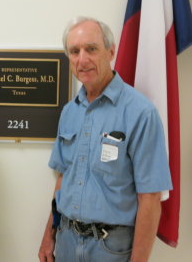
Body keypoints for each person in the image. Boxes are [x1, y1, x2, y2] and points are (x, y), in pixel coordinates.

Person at [38, 17, 172, 262]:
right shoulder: (69, 112)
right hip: (66, 241)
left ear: (111, 51)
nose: (82, 59)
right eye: (74, 51)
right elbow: (62, 180)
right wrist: (49, 236)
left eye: (91, 49)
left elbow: (150, 198)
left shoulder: (140, 112)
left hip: (111, 249)